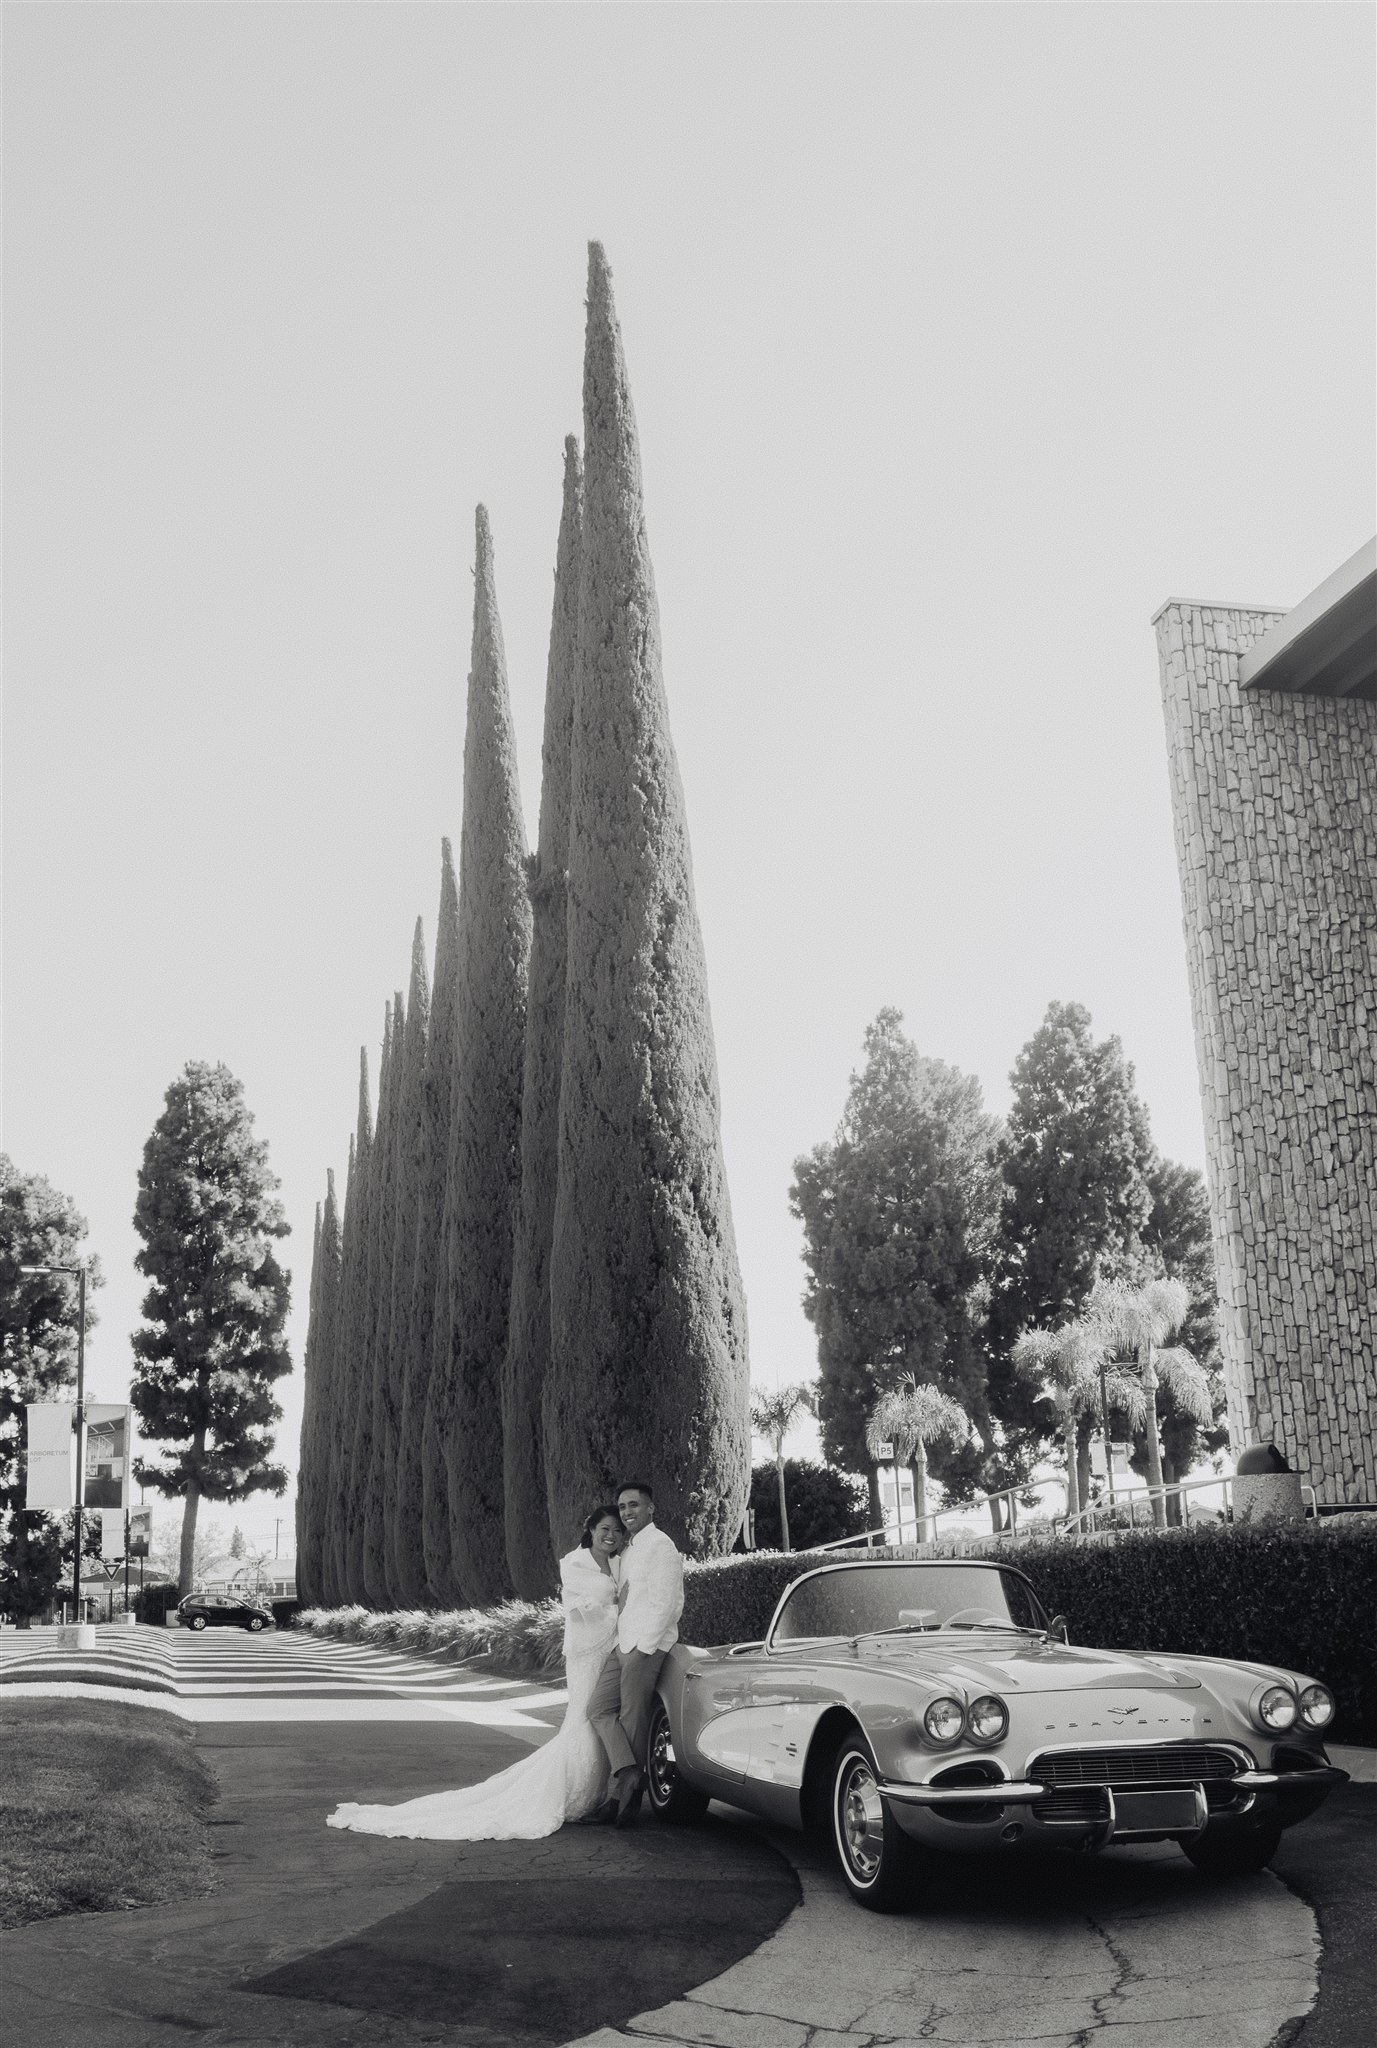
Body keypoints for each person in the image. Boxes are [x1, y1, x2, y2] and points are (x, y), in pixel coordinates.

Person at [324, 1506, 624, 1841]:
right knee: (584, 1717)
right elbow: (580, 1611)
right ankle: (570, 1792)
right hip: (587, 1653)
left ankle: (589, 1791)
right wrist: (621, 1614)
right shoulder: (575, 1563)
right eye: (604, 1528)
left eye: (617, 1530)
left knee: (601, 1717)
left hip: (610, 1652)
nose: (610, 1536)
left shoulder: (617, 1563)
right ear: (591, 1529)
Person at [583, 1479, 685, 1826]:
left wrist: (645, 1647)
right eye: (623, 1506)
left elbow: (668, 1603)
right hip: (622, 1643)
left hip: (645, 1645)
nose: (627, 1512)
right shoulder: (629, 1549)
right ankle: (629, 1771)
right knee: (598, 1709)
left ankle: (621, 1802)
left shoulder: (661, 1546)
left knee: (632, 1718)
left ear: (650, 1508)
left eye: (634, 1505)